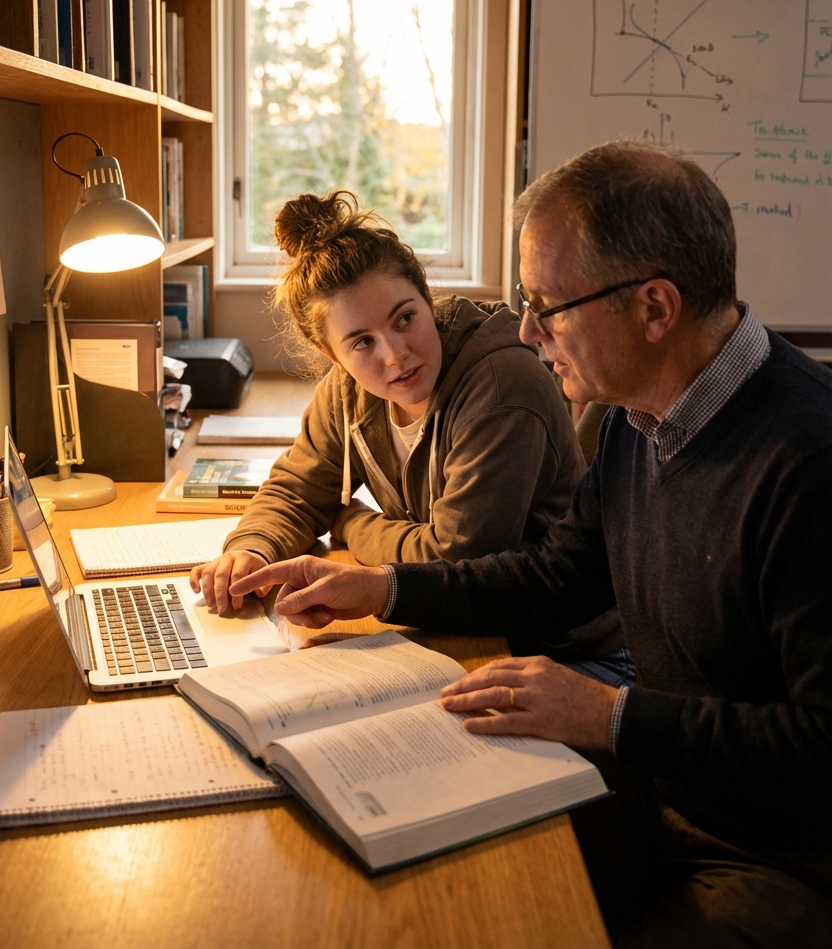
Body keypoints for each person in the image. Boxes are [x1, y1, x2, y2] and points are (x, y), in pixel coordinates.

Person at [229, 143, 832, 947]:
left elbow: (822, 748)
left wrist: (609, 715)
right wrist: (382, 589)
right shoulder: (635, 419)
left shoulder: (809, 461)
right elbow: (558, 576)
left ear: (655, 309)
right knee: (426, 886)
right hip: (659, 790)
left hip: (782, 855)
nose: (527, 329)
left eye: (548, 306)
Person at [192, 190, 629, 671]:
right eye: (362, 342)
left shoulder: (502, 387)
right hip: (461, 628)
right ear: (331, 354)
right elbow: (298, 490)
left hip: (561, 648)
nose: (395, 354)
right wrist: (252, 548)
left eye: (405, 318)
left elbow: (453, 559)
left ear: (427, 297)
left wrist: (350, 523)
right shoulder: (347, 389)